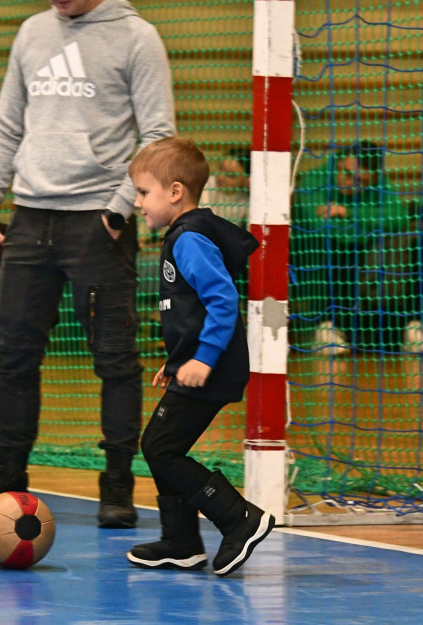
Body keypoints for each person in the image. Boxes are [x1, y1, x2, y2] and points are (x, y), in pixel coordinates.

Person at [0, 0, 176, 528]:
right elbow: (7, 124)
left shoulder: (136, 38)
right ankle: (8, 479)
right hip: (29, 217)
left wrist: (122, 208)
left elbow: (158, 135)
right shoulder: (31, 33)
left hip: (98, 221)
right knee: (14, 356)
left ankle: (117, 484)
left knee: (114, 360)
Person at [125, 136, 273, 575]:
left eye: (143, 192)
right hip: (198, 367)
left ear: (175, 192)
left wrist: (203, 359)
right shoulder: (183, 236)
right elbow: (189, 313)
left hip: (214, 367)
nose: (137, 203)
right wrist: (176, 364)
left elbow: (223, 301)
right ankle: (181, 542)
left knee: (161, 447)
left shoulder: (190, 239)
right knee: (161, 446)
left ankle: (238, 518)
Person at [291, 141, 420, 355]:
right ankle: (325, 326)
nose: (350, 183)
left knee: (411, 244)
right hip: (312, 258)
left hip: (365, 256)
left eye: (360, 181)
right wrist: (368, 227)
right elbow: (322, 227)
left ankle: (411, 326)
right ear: (339, 162)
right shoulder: (313, 180)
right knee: (337, 248)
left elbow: (400, 217)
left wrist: (347, 212)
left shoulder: (379, 184)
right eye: (346, 173)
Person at [200, 146, 250, 228]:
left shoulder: (246, 199)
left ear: (246, 180)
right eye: (221, 168)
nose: (220, 177)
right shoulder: (206, 185)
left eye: (230, 175)